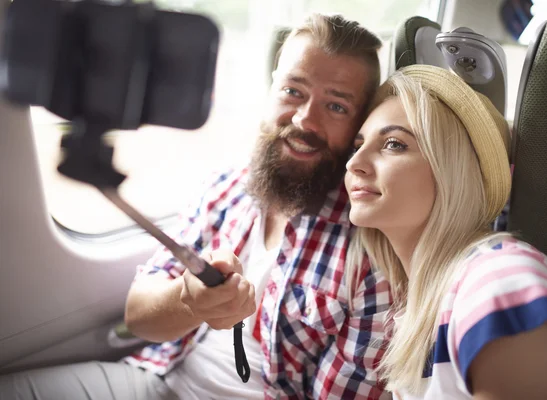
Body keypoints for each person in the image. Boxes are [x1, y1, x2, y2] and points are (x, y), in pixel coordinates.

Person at [0, 13, 393, 400]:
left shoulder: (373, 247)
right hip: (160, 378)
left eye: (336, 107)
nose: (306, 120)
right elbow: (139, 316)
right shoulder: (229, 187)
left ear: (360, 126)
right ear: (271, 89)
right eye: (293, 91)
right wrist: (190, 301)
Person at [344, 64, 547, 400]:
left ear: (453, 171)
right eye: (357, 144)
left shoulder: (499, 284)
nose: (353, 163)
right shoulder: (420, 304)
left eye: (394, 144)